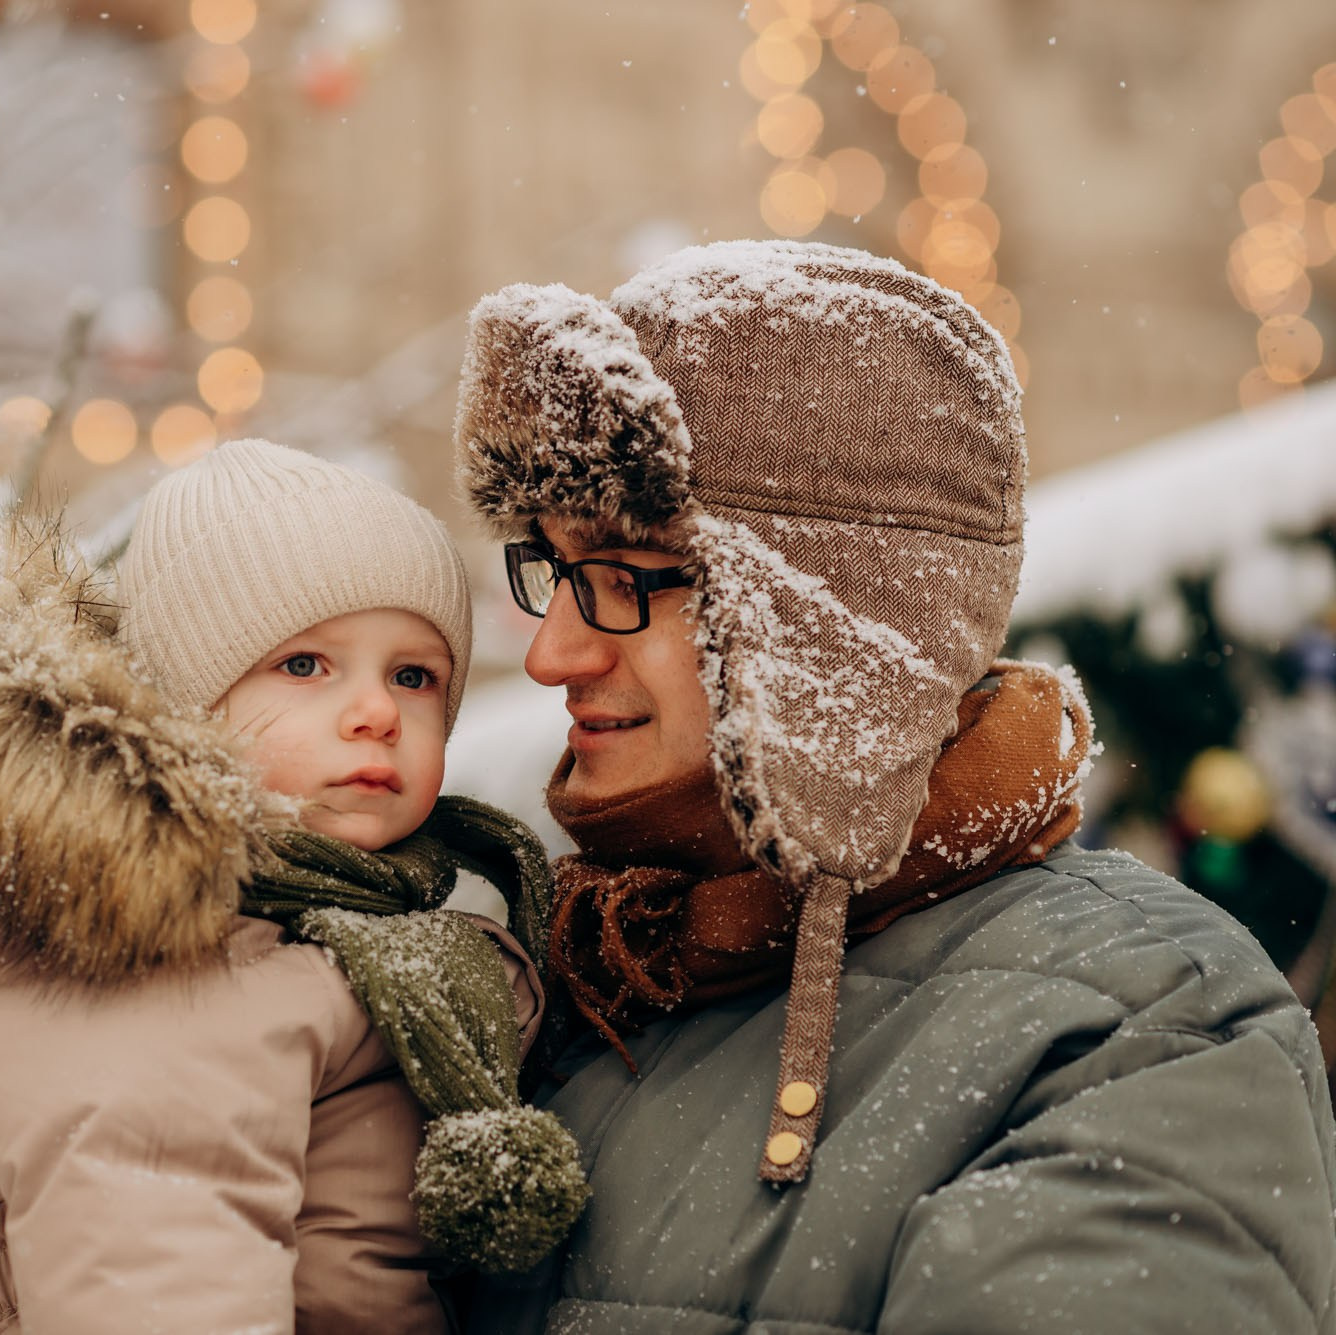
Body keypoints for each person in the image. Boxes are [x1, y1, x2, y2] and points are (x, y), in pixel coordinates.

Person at [451, 239, 1336, 1333]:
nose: (551, 653)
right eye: (552, 568)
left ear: (833, 624)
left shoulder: (1139, 1033)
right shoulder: (565, 982)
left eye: (626, 576)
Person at [0, 439, 587, 1334]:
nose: (377, 712)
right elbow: (153, 1275)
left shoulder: (331, 925)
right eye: (305, 665)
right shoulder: (153, 955)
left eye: (413, 676)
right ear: (182, 705)